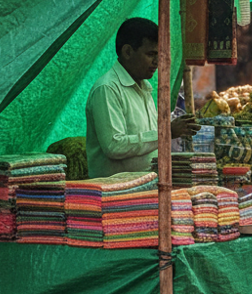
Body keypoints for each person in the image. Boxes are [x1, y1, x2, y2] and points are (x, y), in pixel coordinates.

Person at [85, 18, 200, 179]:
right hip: (114, 195)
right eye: (151, 54)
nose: (157, 62)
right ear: (128, 52)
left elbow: (149, 144)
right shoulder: (107, 88)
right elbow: (114, 146)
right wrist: (166, 132)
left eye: (159, 55)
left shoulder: (144, 88)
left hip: (145, 189)